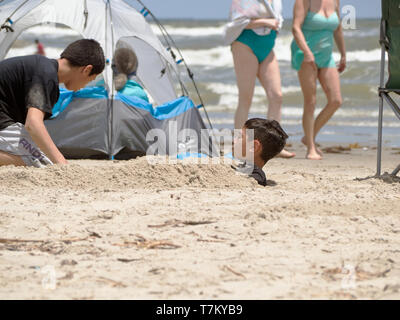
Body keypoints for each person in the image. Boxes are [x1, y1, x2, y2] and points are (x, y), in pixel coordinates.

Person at [0, 39, 105, 167]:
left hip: (5, 118)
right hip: (3, 120)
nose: (84, 86)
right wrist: (62, 162)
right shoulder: (47, 74)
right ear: (87, 70)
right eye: (90, 80)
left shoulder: (43, 68)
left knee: (41, 155)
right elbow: (33, 124)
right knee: (40, 162)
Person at [224, 0, 295, 159]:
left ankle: (275, 145)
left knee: (276, 96)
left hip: (267, 45)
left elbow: (278, 20)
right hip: (245, 43)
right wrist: (264, 21)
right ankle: (237, 146)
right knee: (246, 98)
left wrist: (272, 25)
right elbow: (235, 22)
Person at [291, 0, 346, 160]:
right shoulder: (303, 1)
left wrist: (343, 54)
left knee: (336, 100)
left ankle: (309, 136)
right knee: (311, 102)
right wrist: (307, 53)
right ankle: (311, 148)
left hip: (326, 56)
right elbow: (296, 28)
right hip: (305, 55)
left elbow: (338, 29)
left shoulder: (335, 1)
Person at [233, 117, 288, 186]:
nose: (234, 140)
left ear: (254, 147)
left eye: (239, 137)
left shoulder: (256, 175)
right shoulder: (237, 164)